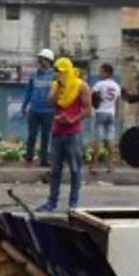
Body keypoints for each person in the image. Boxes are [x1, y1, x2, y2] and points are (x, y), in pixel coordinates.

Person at [38, 57, 91, 212]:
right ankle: (51, 202)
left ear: (68, 71)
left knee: (75, 169)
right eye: (57, 72)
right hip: (57, 132)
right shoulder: (55, 85)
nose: (58, 74)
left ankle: (73, 203)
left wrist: (72, 119)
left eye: (61, 72)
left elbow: (88, 110)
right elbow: (50, 102)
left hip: (73, 133)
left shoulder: (81, 86)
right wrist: (59, 87)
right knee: (55, 170)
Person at [20, 49, 56, 167]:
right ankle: (29, 159)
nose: (40, 61)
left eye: (42, 59)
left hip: (49, 111)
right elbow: (29, 91)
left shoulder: (54, 76)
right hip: (34, 110)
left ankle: (44, 160)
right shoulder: (34, 75)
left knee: (46, 136)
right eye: (39, 59)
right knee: (32, 135)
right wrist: (24, 105)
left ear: (48, 60)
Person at [89, 63, 121, 174]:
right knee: (110, 139)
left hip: (100, 113)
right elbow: (117, 102)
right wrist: (116, 115)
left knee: (98, 139)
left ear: (108, 73)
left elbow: (92, 98)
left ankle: (94, 165)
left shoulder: (99, 84)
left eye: (101, 71)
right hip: (111, 114)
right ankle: (110, 165)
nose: (99, 73)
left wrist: (92, 110)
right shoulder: (116, 86)